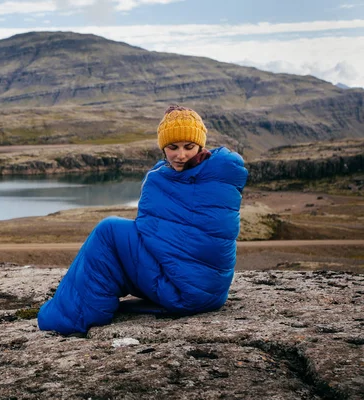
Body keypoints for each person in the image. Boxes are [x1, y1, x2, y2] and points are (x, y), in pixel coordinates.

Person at [37, 105, 249, 335]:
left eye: (189, 147)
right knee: (116, 236)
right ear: (162, 148)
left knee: (108, 232)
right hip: (208, 290)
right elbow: (160, 232)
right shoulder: (188, 174)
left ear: (201, 145)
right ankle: (78, 308)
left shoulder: (209, 176)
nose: (181, 155)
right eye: (172, 147)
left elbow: (158, 231)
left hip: (187, 291)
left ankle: (70, 319)